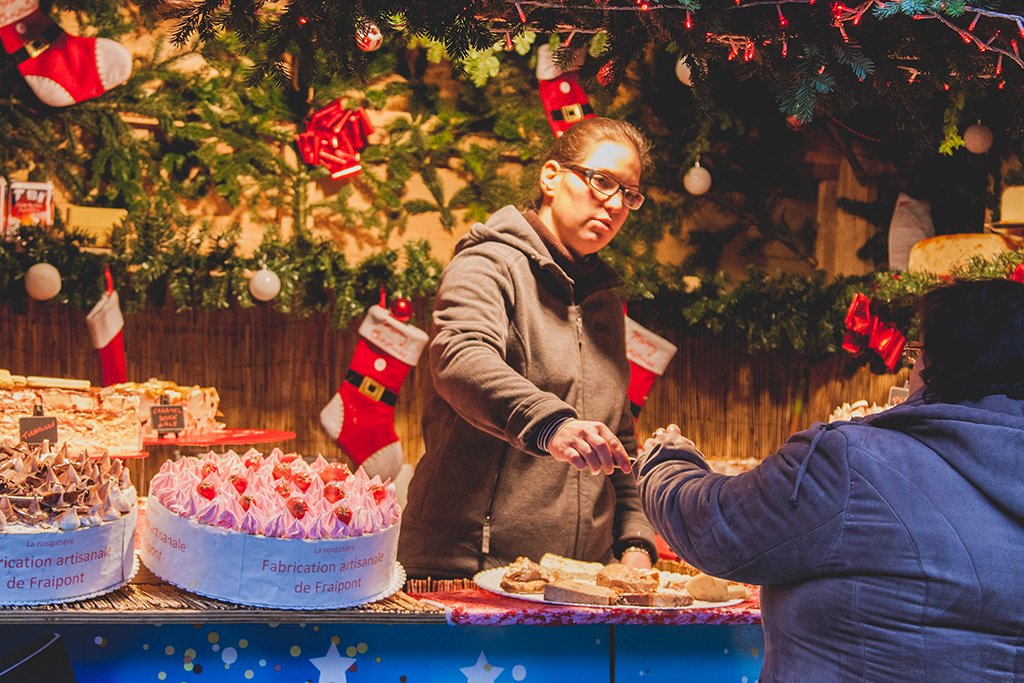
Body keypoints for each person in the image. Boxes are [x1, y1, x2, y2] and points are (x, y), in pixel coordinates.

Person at [636, 278, 1024, 682]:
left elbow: (717, 527)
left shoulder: (852, 463)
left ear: (940, 364)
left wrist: (666, 461)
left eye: (916, 353)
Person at [398, 117, 658, 578]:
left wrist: (634, 537)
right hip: (466, 570)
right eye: (602, 181)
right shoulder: (487, 263)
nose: (616, 204)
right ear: (551, 177)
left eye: (630, 194)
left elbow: (619, 433)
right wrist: (550, 424)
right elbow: (460, 357)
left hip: (579, 578)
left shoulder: (603, 303)